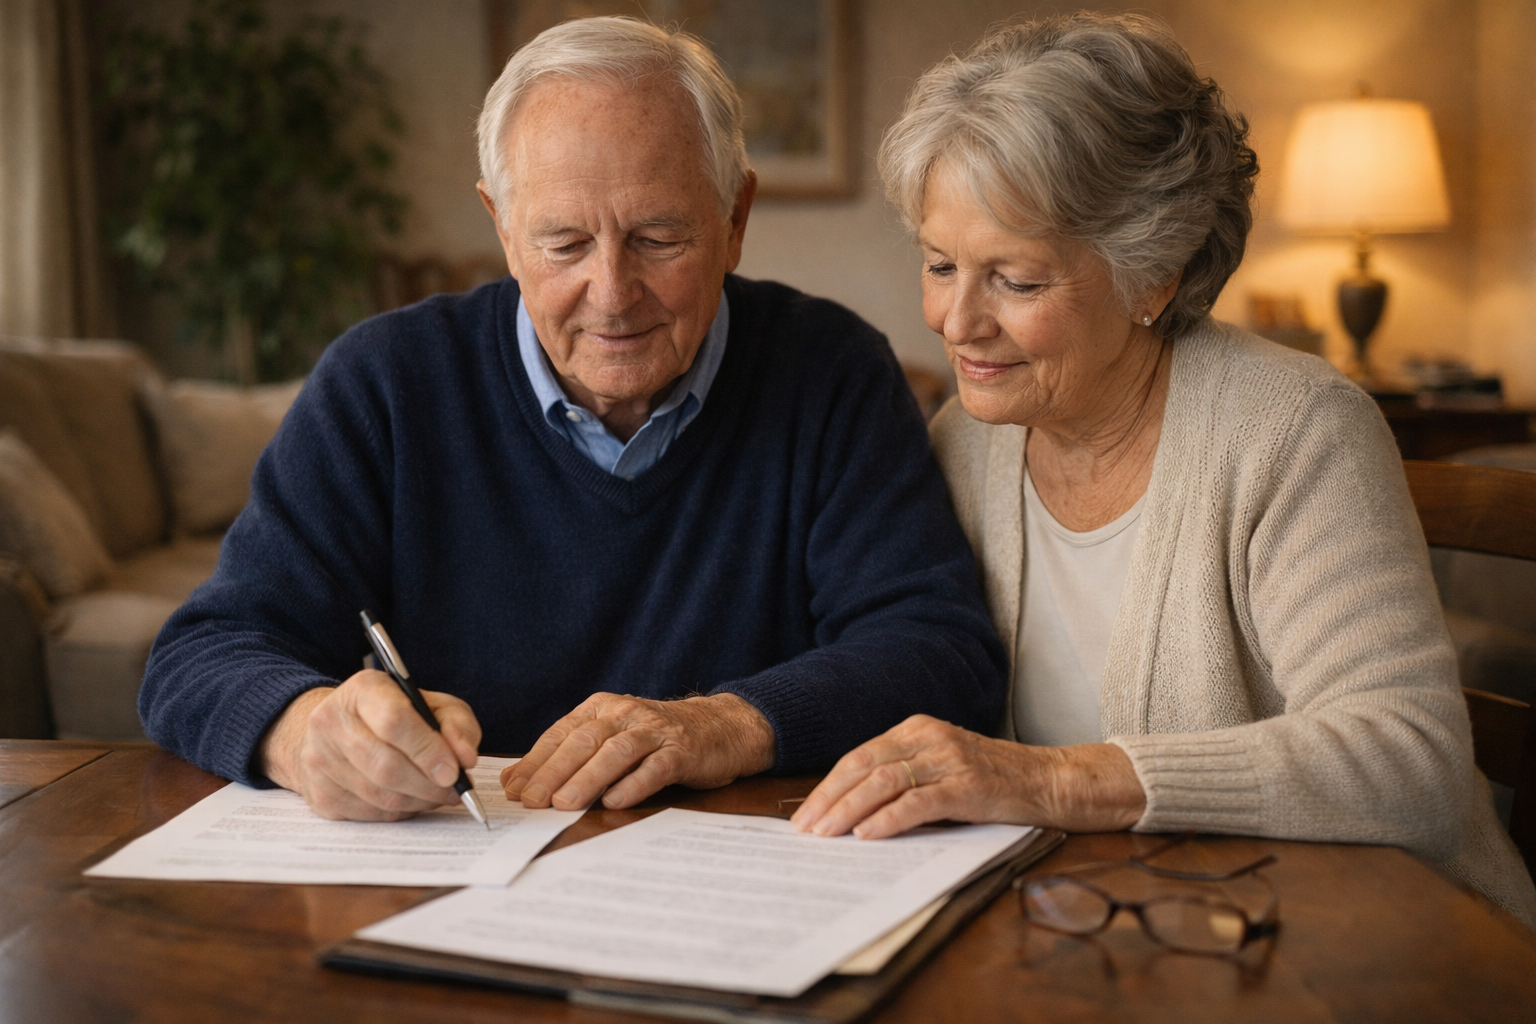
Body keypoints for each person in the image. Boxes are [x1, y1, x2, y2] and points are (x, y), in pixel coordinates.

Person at [139, 17, 1006, 823]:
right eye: (563, 244)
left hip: (742, 884)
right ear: (503, 228)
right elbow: (202, 654)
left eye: (658, 238)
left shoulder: (832, 372)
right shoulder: (385, 383)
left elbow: (938, 652)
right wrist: (303, 731)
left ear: (735, 218)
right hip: (464, 885)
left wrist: (728, 724)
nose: (612, 293)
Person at [789, 12, 1536, 926]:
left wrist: (1058, 782)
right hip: (1118, 933)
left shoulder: (1292, 429)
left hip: (1372, 945)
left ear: (1155, 276)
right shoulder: (964, 440)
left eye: (1016, 281)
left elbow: (1406, 761)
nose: (956, 321)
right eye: (941, 265)